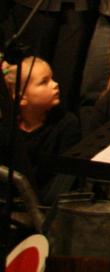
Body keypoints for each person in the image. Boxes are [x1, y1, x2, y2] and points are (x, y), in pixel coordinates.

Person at [2, 56, 81, 204]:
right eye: (44, 82)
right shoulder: (8, 130)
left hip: (48, 205)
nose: (55, 84)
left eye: (52, 78)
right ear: (22, 98)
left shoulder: (66, 124)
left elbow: (64, 179)